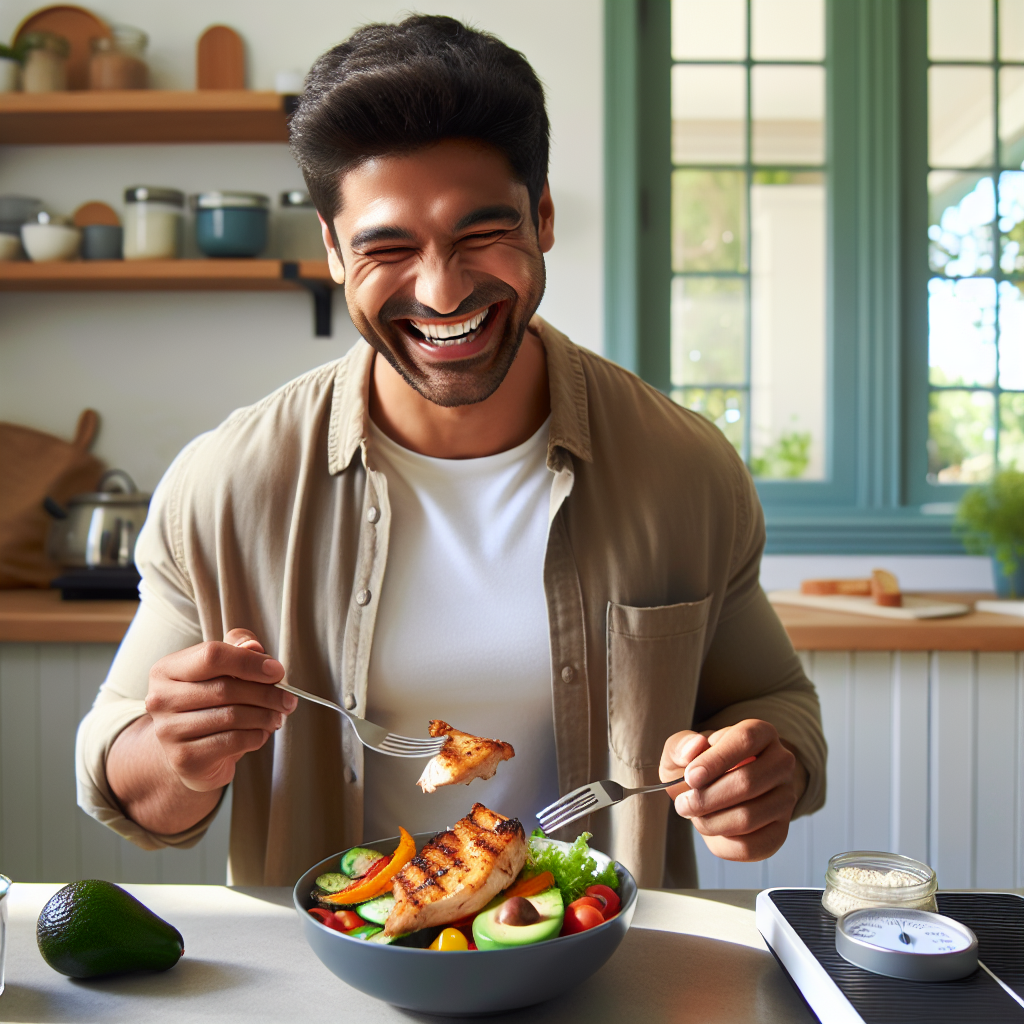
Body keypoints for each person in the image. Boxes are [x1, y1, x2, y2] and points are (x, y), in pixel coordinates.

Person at [76, 15, 826, 888]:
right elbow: (132, 792)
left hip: (604, 952)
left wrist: (761, 776)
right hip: (324, 967)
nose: (442, 292)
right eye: (388, 247)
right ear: (332, 251)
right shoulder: (227, 485)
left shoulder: (685, 468)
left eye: (480, 235)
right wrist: (180, 753)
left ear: (543, 216)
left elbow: (774, 702)